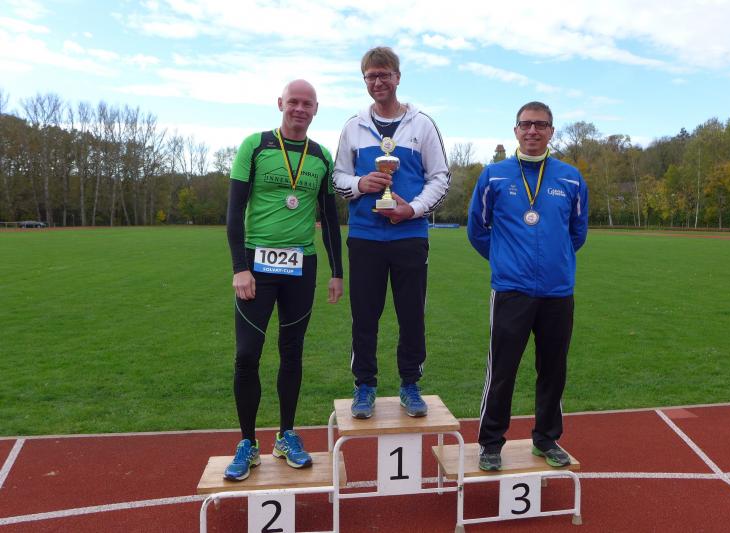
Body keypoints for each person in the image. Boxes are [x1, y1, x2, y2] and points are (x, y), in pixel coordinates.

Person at [223, 79, 343, 481]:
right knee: (247, 355)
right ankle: (247, 443)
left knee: (292, 353)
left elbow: (330, 220)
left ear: (316, 109)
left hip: (300, 268)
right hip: (256, 268)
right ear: (280, 103)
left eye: (307, 103)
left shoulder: (321, 156)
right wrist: (239, 267)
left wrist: (337, 272)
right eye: (293, 101)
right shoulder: (255, 146)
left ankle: (286, 435)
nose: (300, 109)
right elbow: (234, 211)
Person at [467, 101, 588, 471]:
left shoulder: (571, 178)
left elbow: (577, 232)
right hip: (511, 289)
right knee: (502, 370)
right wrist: (505, 260)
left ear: (551, 131)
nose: (532, 130)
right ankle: (490, 443)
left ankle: (546, 439)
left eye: (540, 124)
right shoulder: (494, 176)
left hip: (557, 291)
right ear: (515, 130)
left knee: (553, 370)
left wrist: (555, 261)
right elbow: (477, 228)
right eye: (526, 124)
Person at [333, 46, 450, 419]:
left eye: (384, 74)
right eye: (371, 76)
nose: (378, 81)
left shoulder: (422, 124)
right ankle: (364, 385)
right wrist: (360, 184)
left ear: (398, 77)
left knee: (412, 315)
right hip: (365, 236)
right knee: (364, 316)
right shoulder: (353, 126)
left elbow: (440, 178)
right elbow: (337, 177)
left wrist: (411, 209)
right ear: (364, 81)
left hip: (409, 236)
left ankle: (410, 384)